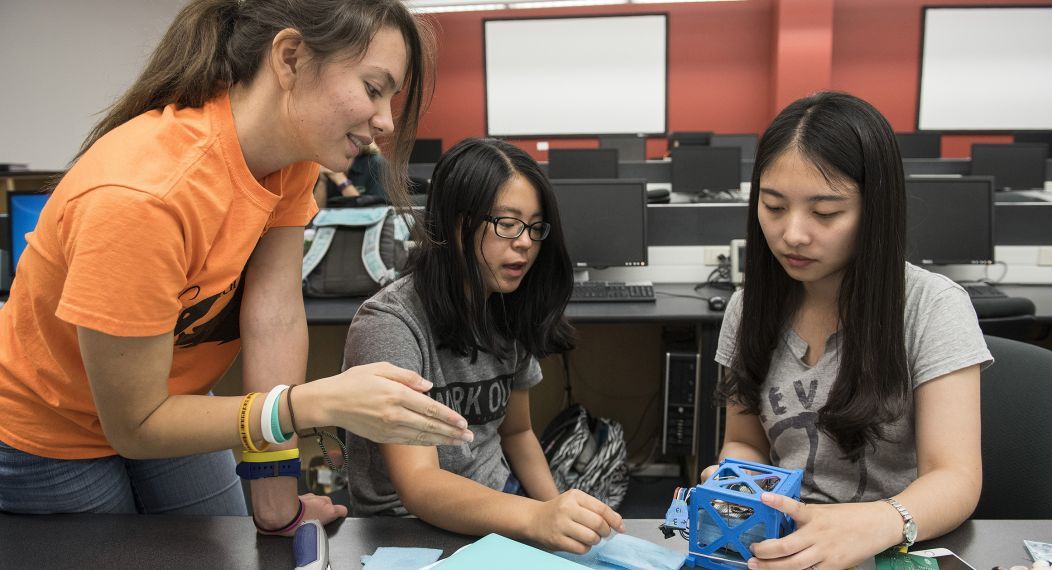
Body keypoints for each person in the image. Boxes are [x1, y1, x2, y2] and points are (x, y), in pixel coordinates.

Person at [0, 0, 473, 535]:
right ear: (290, 58)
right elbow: (136, 426)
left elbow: (274, 319)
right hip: (50, 429)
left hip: (167, 403)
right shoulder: (142, 198)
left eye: (392, 97)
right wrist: (314, 403)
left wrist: (277, 507)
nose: (386, 121)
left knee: (226, 548)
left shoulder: (289, 161)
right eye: (372, 88)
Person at [700, 92, 991, 569]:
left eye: (825, 213)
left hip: (893, 544)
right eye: (774, 207)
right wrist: (735, 478)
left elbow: (955, 477)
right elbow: (747, 440)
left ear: (874, 209)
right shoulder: (748, 307)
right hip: (782, 546)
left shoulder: (932, 306)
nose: (793, 233)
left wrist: (874, 523)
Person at [342, 137, 625, 554]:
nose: (526, 242)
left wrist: (558, 516)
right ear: (457, 224)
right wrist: (534, 517)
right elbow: (420, 483)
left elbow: (519, 432)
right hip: (405, 530)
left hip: (498, 509)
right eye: (507, 224)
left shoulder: (506, 306)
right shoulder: (390, 324)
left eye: (534, 226)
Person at [313, 141, 388, 208]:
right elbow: (315, 215)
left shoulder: (375, 164)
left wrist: (341, 180)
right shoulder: (319, 164)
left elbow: (373, 213)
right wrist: (323, 180)